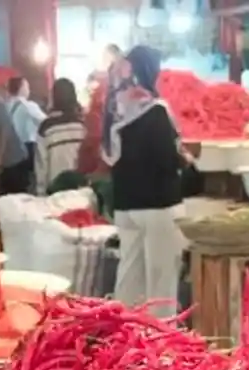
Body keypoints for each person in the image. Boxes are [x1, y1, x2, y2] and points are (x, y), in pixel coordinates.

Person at [103, 46, 185, 318]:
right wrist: (185, 160)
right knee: (161, 286)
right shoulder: (155, 111)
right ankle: (161, 339)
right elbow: (166, 160)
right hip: (158, 206)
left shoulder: (117, 108)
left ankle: (123, 333)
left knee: (129, 280)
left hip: (126, 207)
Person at [35, 78, 86, 195]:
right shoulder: (82, 125)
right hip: (80, 190)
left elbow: (41, 165)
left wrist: (41, 194)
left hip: (55, 191)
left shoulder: (46, 128)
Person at [6, 76, 46, 191]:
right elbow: (45, 122)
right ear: (21, 88)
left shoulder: (5, 106)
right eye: (27, 86)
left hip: (9, 149)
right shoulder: (28, 106)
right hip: (27, 148)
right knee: (30, 180)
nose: (29, 90)